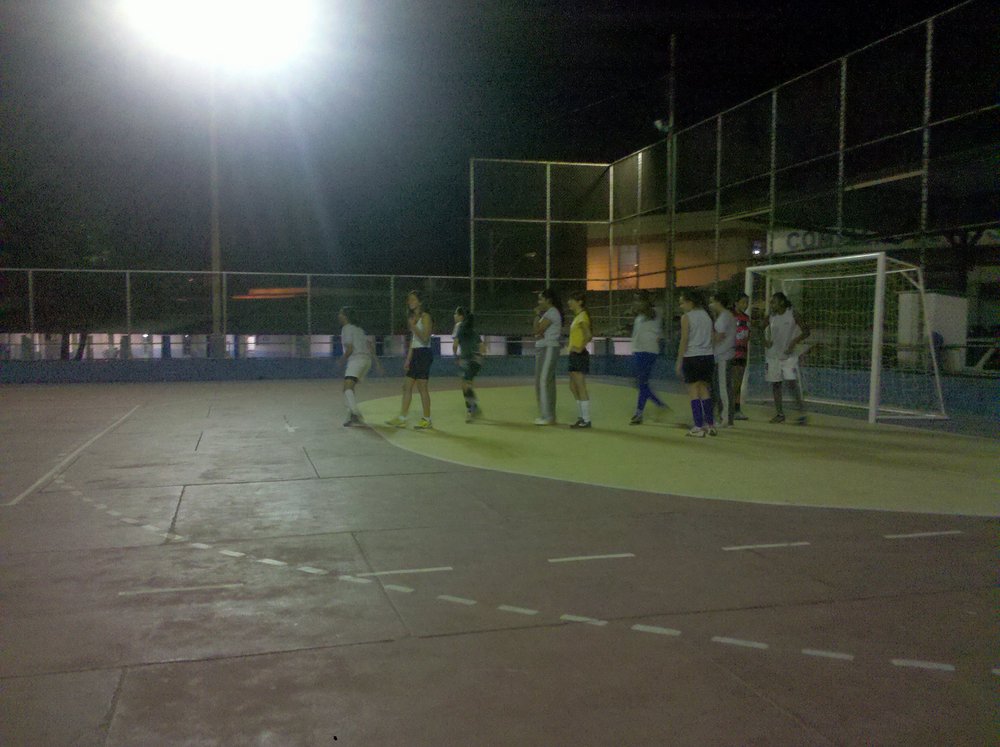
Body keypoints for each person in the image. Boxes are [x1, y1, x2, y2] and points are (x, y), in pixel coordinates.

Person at [386, 290, 434, 429]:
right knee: (406, 386)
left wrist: (413, 327)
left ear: (420, 301)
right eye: (409, 300)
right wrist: (408, 359)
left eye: (413, 299)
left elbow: (424, 339)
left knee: (422, 387)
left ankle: (427, 419)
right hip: (416, 354)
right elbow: (414, 341)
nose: (410, 302)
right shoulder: (414, 317)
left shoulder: (426, 317)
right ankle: (402, 418)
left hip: (424, 354)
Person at [675, 289, 716, 437]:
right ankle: (711, 425)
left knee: (693, 392)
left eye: (682, 303)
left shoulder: (687, 317)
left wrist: (679, 360)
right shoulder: (707, 316)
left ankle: (698, 426)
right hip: (708, 357)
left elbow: (684, 339)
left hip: (692, 357)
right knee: (704, 390)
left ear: (690, 302)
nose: (681, 306)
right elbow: (712, 338)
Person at [764, 291, 810, 424]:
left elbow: (807, 331)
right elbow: (759, 328)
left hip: (789, 356)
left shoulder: (792, 314)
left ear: (782, 302)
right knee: (776, 384)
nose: (771, 304)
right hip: (773, 356)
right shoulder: (771, 316)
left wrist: (794, 341)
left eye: (773, 302)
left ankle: (801, 413)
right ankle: (779, 414)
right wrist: (764, 341)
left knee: (791, 383)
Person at [337, 307, 383, 426]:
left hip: (357, 359)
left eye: (341, 314)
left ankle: (355, 412)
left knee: (347, 388)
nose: (339, 316)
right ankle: (350, 417)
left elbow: (350, 348)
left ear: (345, 316)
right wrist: (377, 363)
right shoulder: (359, 329)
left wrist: (342, 359)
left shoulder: (346, 328)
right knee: (349, 388)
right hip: (366, 361)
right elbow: (369, 345)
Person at [629, 290, 666, 425]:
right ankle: (640, 412)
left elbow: (651, 315)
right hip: (639, 351)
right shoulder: (640, 316)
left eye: (639, 300)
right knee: (641, 383)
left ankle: (645, 410)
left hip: (648, 351)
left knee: (642, 383)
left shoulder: (654, 312)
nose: (636, 303)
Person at [532, 287, 562, 425]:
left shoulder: (552, 312)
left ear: (548, 300)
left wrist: (537, 315)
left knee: (544, 381)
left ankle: (548, 416)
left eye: (540, 299)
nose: (538, 301)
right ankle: (547, 415)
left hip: (548, 348)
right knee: (543, 382)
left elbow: (538, 330)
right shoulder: (548, 313)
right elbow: (536, 332)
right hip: (543, 348)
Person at [566, 291, 593, 428]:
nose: (569, 303)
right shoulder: (578, 317)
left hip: (578, 355)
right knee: (573, 386)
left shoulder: (582, 317)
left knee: (580, 386)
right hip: (574, 354)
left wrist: (579, 348)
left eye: (572, 300)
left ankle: (586, 419)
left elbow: (588, 335)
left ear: (580, 302)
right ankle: (582, 416)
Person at [452, 306, 485, 422]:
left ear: (461, 317)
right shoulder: (472, 330)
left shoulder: (459, 327)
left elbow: (455, 345)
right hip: (474, 360)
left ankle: (472, 409)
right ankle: (472, 407)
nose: (454, 316)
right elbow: (481, 346)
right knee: (466, 385)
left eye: (456, 314)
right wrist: (480, 356)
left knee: (466, 386)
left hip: (467, 360)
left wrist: (456, 356)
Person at [709, 292, 737, 427]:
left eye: (712, 301)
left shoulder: (725, 316)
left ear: (718, 302)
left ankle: (726, 418)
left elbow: (719, 337)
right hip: (722, 355)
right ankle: (724, 417)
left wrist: (706, 339)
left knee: (724, 388)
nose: (710, 304)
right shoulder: (725, 316)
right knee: (722, 387)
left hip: (723, 356)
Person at [731, 293, 750, 420]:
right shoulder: (731, 316)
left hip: (742, 354)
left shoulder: (746, 318)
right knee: (732, 384)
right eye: (742, 302)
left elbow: (747, 337)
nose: (745, 305)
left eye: (746, 302)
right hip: (731, 354)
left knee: (738, 384)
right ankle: (729, 409)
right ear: (736, 303)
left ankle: (736, 409)